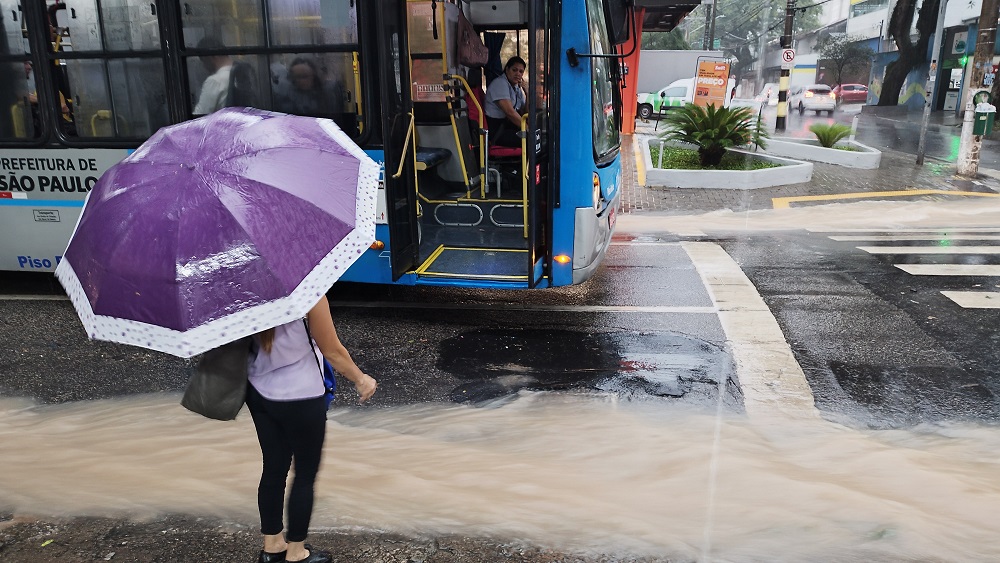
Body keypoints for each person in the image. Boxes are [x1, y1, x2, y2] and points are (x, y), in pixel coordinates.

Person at [247, 295, 378, 563]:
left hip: (258, 392)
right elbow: (332, 350)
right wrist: (361, 379)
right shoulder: (307, 292)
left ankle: (272, 547)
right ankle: (296, 552)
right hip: (301, 396)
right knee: (305, 475)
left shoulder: (241, 293)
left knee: (273, 468)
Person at [274, 57, 341, 117]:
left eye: (304, 76)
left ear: (313, 77)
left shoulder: (325, 96)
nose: (300, 81)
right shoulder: (286, 98)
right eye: (297, 77)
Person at [483, 56, 527, 148]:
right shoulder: (500, 83)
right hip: (498, 131)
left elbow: (524, 111)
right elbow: (509, 112)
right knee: (530, 140)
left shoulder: (516, 87)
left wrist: (527, 92)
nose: (518, 74)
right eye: (514, 70)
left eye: (521, 71)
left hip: (509, 126)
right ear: (507, 69)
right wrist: (527, 129)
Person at [193, 37, 233, 115]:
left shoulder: (214, 81)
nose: (204, 66)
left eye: (203, 60)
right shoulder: (244, 71)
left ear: (211, 57)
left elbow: (200, 114)